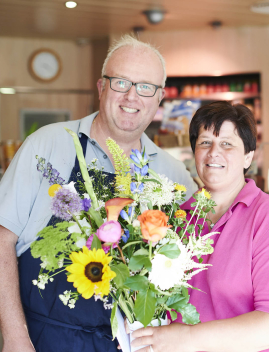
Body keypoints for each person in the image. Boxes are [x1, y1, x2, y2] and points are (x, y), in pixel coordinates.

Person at [0, 34, 197, 352]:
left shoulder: (173, 174)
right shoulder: (47, 145)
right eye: (121, 82)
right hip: (46, 341)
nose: (132, 97)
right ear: (101, 86)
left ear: (159, 98)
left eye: (145, 87)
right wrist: (14, 337)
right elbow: (1, 239)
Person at [130, 101, 269, 352]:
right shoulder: (179, 218)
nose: (214, 152)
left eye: (227, 144)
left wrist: (189, 339)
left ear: (248, 155)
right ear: (194, 153)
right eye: (205, 142)